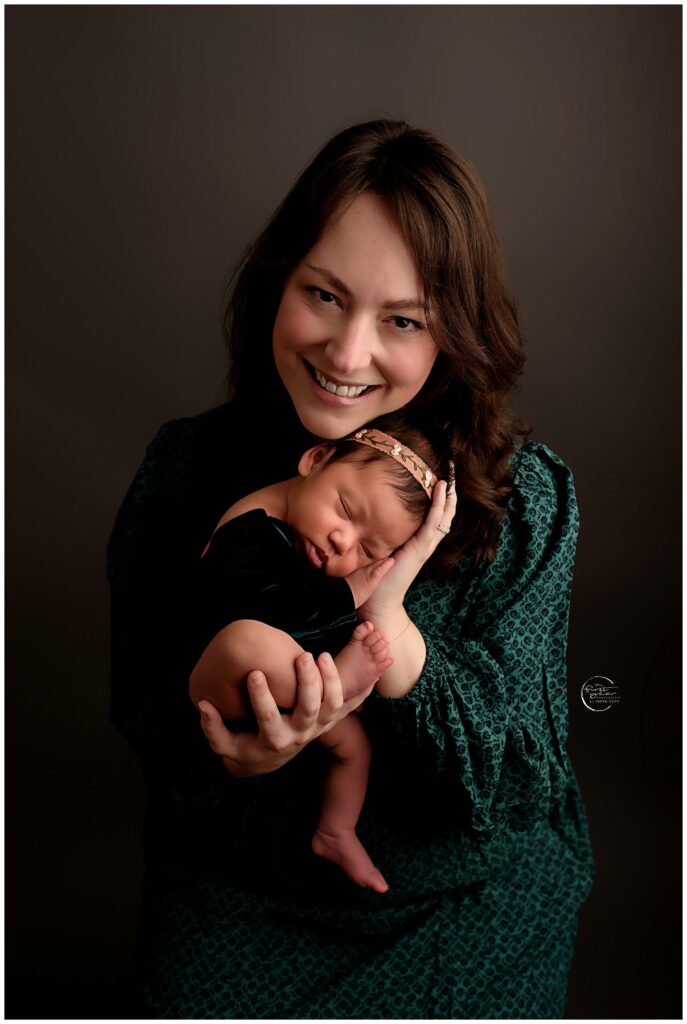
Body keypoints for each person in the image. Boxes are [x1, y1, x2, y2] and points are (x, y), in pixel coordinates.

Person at [108, 118, 595, 1018]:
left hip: (461, 903)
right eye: (324, 295)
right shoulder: (186, 468)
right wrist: (235, 754)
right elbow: (144, 702)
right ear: (278, 281)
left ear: (453, 334)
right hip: (239, 889)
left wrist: (394, 634)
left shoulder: (520, 498)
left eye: (402, 320)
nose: (346, 354)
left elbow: (519, 779)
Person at [188, 414, 453, 895]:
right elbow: (271, 608)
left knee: (354, 748)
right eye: (345, 510)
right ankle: (341, 688)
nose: (342, 542)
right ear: (316, 459)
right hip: (217, 678)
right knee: (247, 639)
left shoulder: (307, 528)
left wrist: (408, 557)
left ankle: (336, 831)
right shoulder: (253, 523)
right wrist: (348, 592)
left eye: (368, 550)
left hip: (291, 696)